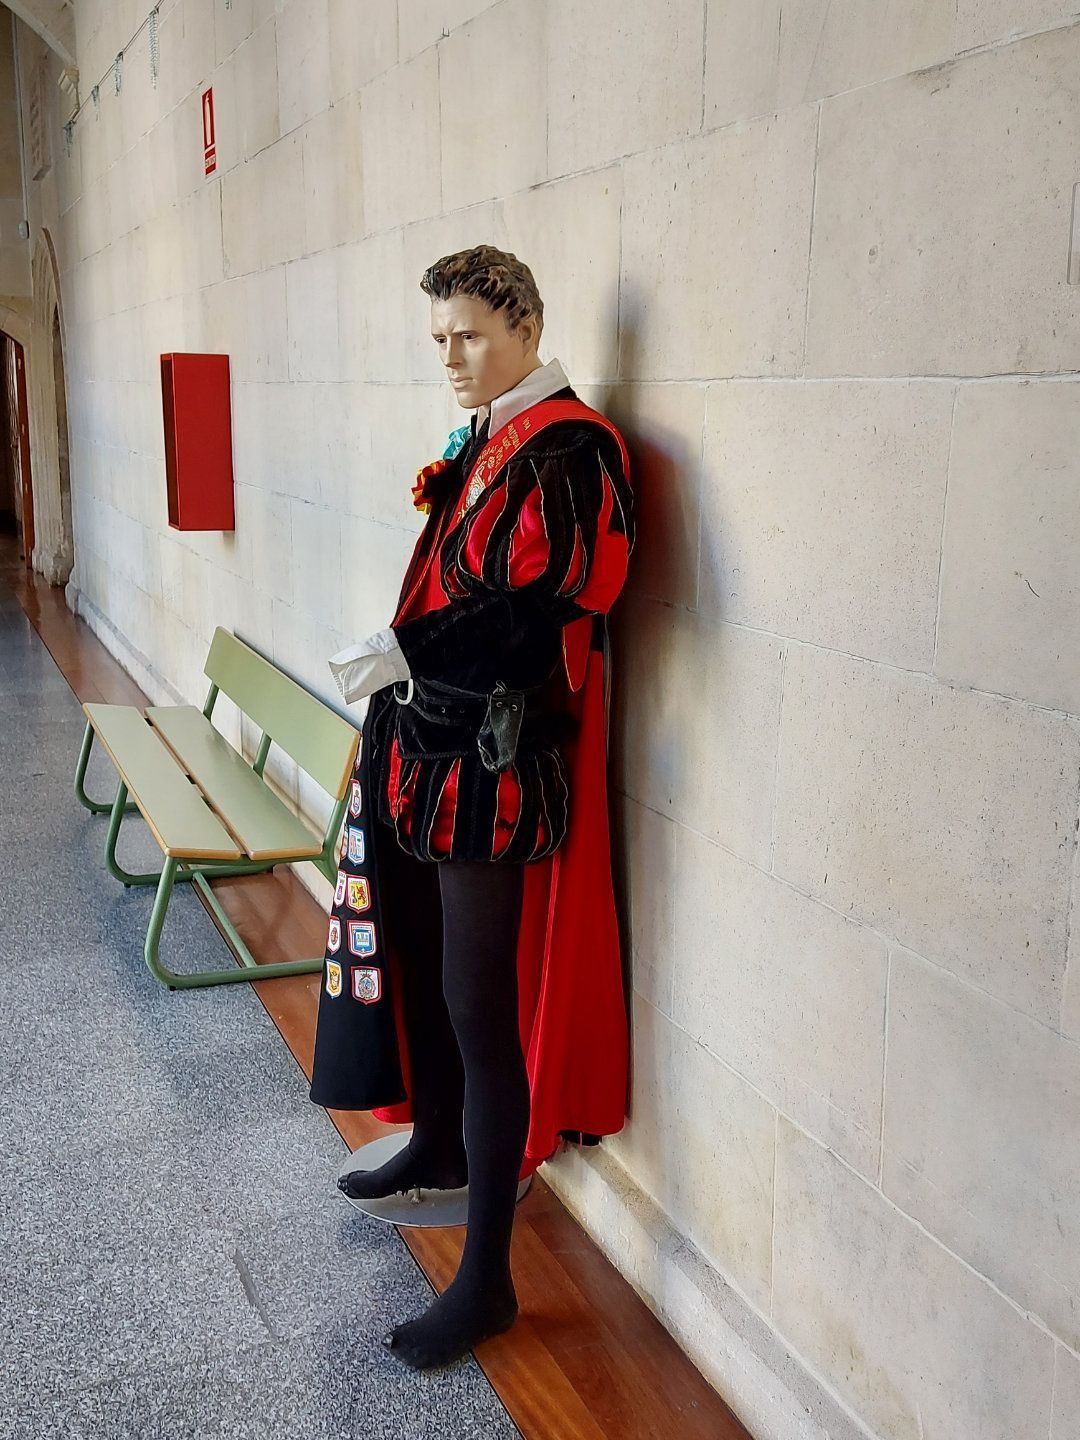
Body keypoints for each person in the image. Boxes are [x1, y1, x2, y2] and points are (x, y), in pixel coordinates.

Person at [308, 245, 635, 1371]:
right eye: (440, 337)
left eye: (472, 335)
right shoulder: (495, 436)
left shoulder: (574, 449)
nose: (452, 357)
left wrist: (405, 647)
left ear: (531, 325)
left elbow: (538, 615)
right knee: (429, 977)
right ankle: (438, 1141)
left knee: (481, 1013)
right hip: (426, 750)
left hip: (492, 772)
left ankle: (489, 1277)